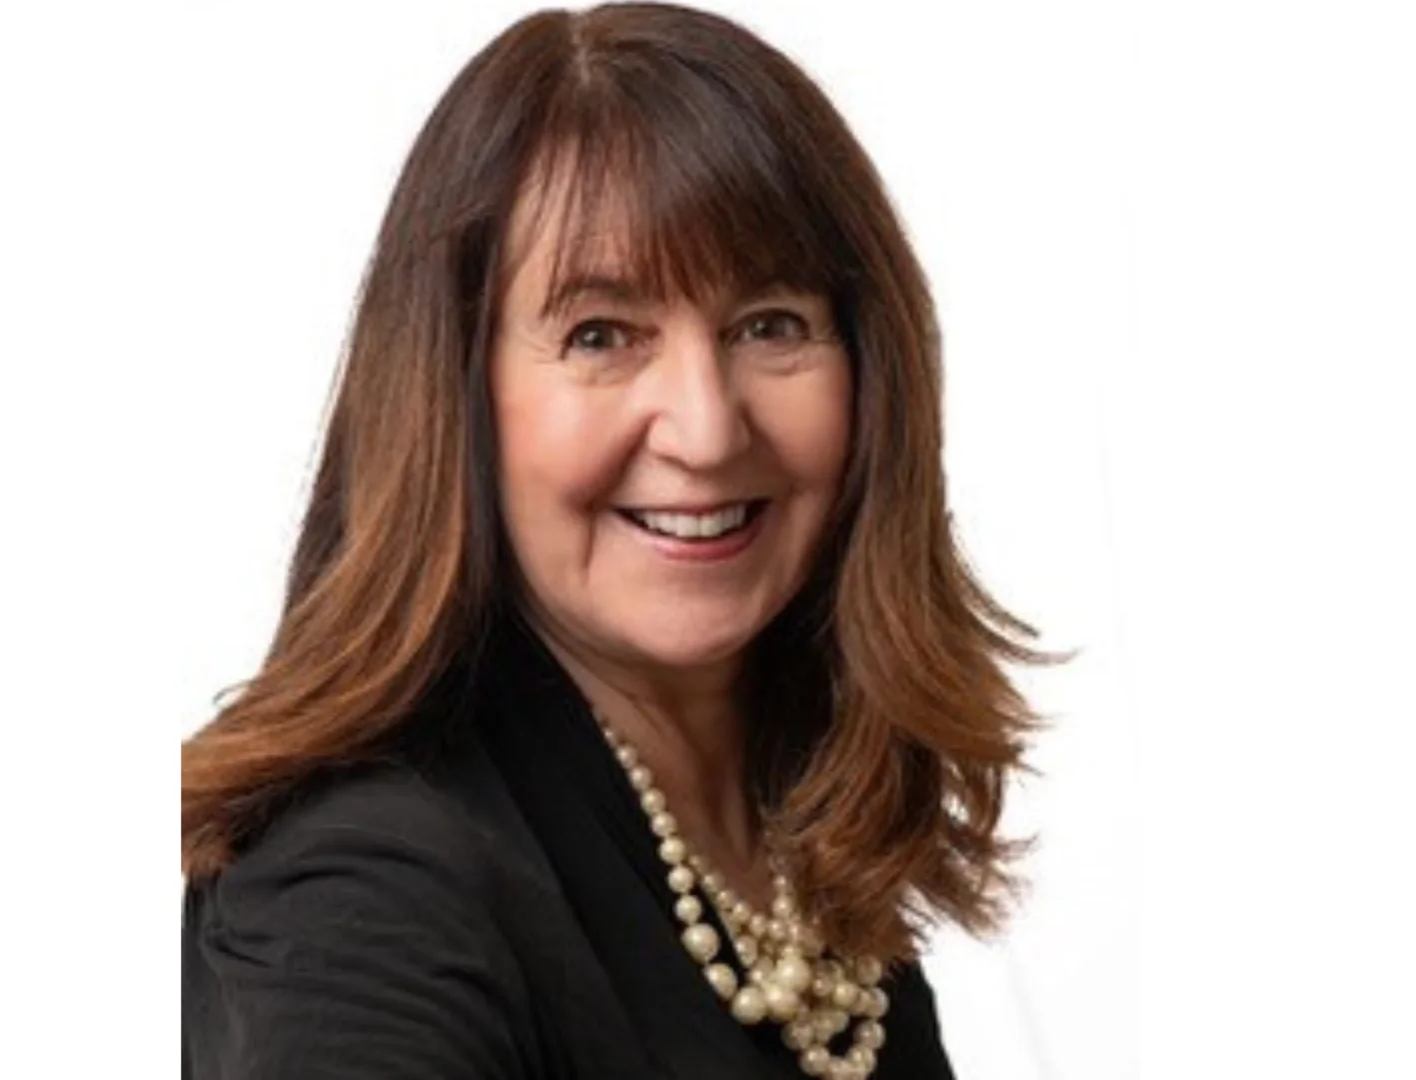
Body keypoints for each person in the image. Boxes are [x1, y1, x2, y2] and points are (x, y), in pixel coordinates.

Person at [181, 3, 1068, 1077]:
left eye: (770, 325)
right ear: (456, 396)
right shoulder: (366, 896)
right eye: (601, 336)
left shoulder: (795, 844)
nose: (705, 429)